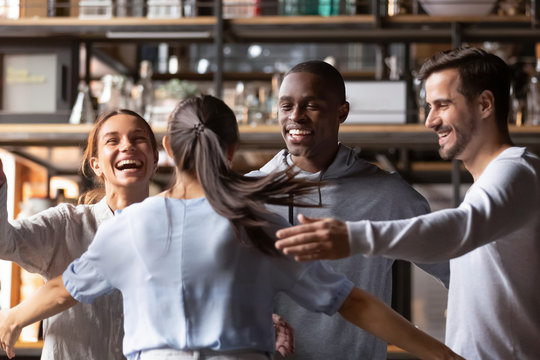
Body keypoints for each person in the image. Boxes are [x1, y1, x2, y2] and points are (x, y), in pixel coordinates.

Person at [0, 95, 463, 360]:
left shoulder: (131, 226)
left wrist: (12, 319)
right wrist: (444, 356)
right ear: (232, 148)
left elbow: (64, 289)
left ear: (165, 148)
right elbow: (352, 302)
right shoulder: (256, 226)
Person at [274, 47, 540, 359]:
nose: (430, 121)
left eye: (442, 105)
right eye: (429, 106)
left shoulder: (515, 171)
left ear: (484, 104)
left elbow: (459, 230)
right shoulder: (490, 184)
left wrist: (352, 237)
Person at [248, 60, 450, 359]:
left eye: (311, 105)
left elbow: (460, 274)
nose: (295, 117)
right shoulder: (246, 194)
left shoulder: (389, 196)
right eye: (286, 106)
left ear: (342, 111)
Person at [0, 109, 159, 360]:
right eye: (113, 140)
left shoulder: (171, 232)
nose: (127, 146)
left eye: (138, 139)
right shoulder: (65, 225)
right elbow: (4, 243)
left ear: (155, 158)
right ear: (96, 165)